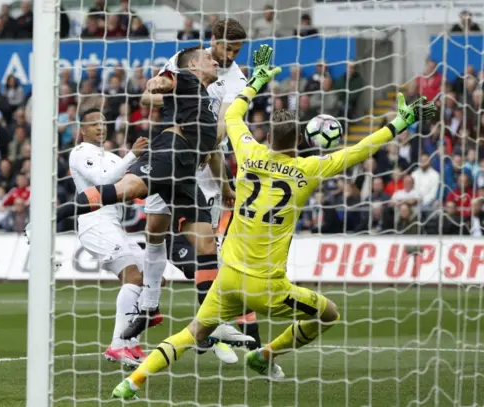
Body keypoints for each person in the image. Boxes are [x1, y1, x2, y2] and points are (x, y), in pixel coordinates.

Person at [111, 44, 438, 400]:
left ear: (267, 135)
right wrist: (398, 124)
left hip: (229, 277)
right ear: (301, 140)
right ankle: (267, 355)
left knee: (190, 334)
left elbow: (234, 116)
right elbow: (358, 151)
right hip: (267, 286)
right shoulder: (309, 169)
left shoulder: (249, 153)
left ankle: (132, 383)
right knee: (328, 314)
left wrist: (257, 82)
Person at [45, 46, 245, 353]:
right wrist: (158, 83)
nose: (215, 60)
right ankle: (47, 220)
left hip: (185, 177)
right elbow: (162, 83)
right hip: (166, 156)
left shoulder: (207, 102)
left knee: (207, 245)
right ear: (192, 66)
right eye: (208, 58)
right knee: (120, 192)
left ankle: (211, 319)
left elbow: (213, 150)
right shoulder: (185, 80)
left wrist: (227, 188)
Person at [138, 18, 260, 361]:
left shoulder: (237, 79)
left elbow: (224, 123)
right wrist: (164, 91)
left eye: (237, 50)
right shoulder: (187, 59)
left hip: (206, 165)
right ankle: (149, 300)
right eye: (226, 48)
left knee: (210, 249)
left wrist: (207, 138)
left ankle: (212, 332)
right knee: (154, 229)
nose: (231, 55)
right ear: (212, 41)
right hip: (171, 150)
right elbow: (152, 94)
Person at [31, 108, 150, 367]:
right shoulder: (80, 152)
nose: (100, 127)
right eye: (93, 123)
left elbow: (124, 181)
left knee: (151, 276)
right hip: (94, 223)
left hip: (113, 224)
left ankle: (132, 344)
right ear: (82, 130)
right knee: (132, 275)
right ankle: (118, 345)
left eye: (103, 123)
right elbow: (103, 180)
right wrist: (132, 155)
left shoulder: (109, 156)